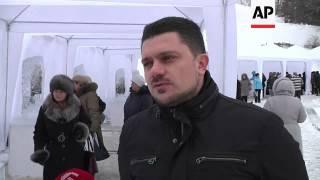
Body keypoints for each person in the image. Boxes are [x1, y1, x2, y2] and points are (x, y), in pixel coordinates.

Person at [118, 17, 308, 180]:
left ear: (201, 64)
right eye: (147, 63)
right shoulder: (133, 131)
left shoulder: (261, 128)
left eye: (168, 58)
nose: (155, 71)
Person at [31, 74, 90, 180]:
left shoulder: (77, 106)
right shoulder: (45, 108)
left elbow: (86, 122)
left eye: (61, 92)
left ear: (67, 93)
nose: (58, 94)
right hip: (53, 157)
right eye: (55, 91)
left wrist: (81, 130)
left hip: (74, 155)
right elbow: (39, 132)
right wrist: (39, 150)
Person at [264, 77, 307, 152]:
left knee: (277, 155)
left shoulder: (270, 101)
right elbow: (302, 119)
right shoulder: (297, 101)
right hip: (294, 133)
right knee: (294, 155)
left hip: (275, 131)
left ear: (276, 87)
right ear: (291, 88)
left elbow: (264, 118)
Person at [72, 75, 106, 157]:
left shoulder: (89, 95)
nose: (76, 85)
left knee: (86, 151)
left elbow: (100, 108)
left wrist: (91, 127)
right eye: (75, 83)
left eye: (79, 83)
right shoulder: (72, 94)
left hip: (85, 128)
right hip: (76, 128)